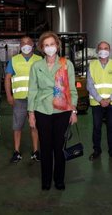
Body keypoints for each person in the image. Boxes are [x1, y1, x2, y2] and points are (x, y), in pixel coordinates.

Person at [28, 31, 78, 191]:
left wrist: (73, 111)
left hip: (62, 110)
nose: (50, 48)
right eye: (46, 45)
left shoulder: (66, 64)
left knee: (59, 147)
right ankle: (46, 180)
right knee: (46, 147)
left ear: (57, 46)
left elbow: (72, 90)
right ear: (42, 48)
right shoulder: (37, 66)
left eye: (52, 44)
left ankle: (59, 179)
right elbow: (32, 90)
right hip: (42, 110)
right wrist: (31, 113)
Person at [5, 36, 42, 163]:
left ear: (33, 45)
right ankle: (17, 151)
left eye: (28, 43)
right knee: (17, 126)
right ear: (20, 46)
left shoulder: (39, 59)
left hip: (35, 99)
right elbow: (7, 78)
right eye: (23, 43)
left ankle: (36, 151)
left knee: (35, 126)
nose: (25, 45)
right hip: (19, 99)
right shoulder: (14, 60)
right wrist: (9, 95)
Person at [87, 41, 112, 161]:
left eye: (106, 48)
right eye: (101, 48)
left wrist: (109, 99)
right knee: (97, 127)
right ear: (97, 51)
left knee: (111, 128)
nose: (103, 50)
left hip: (111, 103)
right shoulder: (92, 65)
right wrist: (100, 99)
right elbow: (89, 85)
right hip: (96, 103)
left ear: (110, 50)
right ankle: (96, 150)